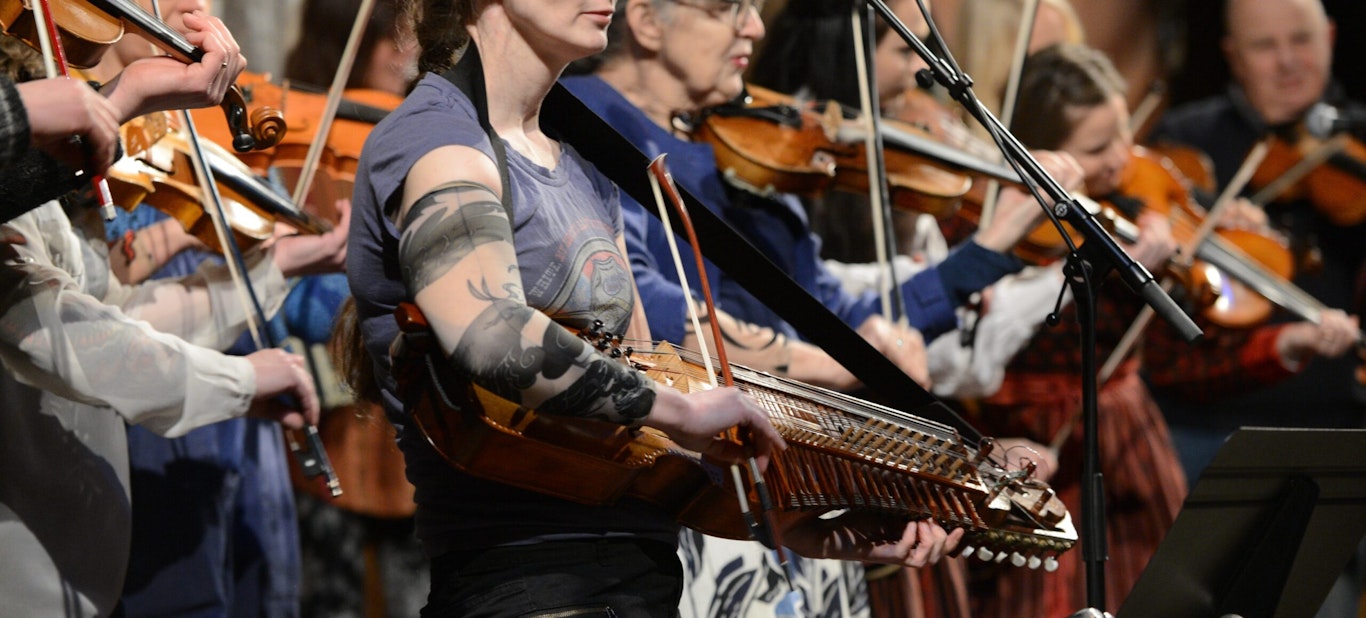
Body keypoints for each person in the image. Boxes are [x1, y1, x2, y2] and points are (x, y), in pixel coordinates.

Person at [342, 0, 962, 615]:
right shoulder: (437, 139)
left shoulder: (581, 162)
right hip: (527, 583)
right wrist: (681, 411)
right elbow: (489, 331)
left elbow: (645, 411)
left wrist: (785, 520)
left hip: (641, 573)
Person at [0, 9, 332, 617]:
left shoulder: (34, 164)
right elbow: (52, 330)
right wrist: (236, 379)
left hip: (73, 568)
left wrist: (281, 265)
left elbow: (113, 310)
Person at [1147, 0, 1365, 615]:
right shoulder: (1187, 143)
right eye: (1265, 47)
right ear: (1232, 57)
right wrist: (1211, 236)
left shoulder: (1356, 143)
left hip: (1335, 427)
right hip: (1206, 426)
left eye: (1302, 40)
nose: (1288, 62)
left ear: (1330, 36)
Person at [282, 1, 428, 615]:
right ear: (353, 40)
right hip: (329, 429)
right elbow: (299, 306)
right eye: (393, 41)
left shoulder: (424, 136)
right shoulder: (296, 143)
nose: (408, 56)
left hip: (416, 428)